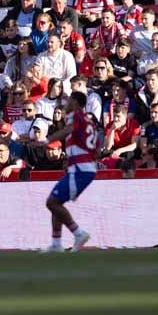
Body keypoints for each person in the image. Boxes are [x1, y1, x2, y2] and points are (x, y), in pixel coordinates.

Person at [34, 90, 96, 252]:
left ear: (75, 103)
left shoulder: (76, 117)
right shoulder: (88, 121)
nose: (67, 103)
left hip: (80, 169)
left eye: (69, 101)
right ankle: (56, 243)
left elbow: (68, 130)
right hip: (83, 167)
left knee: (51, 202)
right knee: (56, 202)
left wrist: (46, 140)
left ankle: (78, 232)